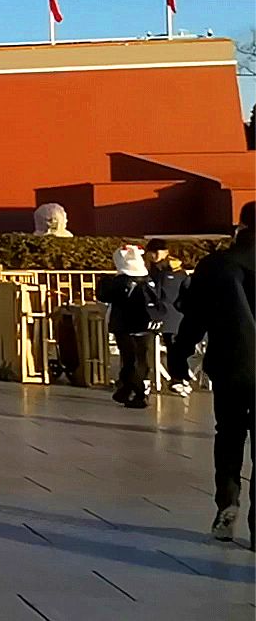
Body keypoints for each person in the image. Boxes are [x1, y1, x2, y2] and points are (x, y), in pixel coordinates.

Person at [170, 202, 254, 546]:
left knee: (229, 434)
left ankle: (227, 501)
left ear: (241, 226)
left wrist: (180, 356)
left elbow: (194, 318)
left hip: (230, 364)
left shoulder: (215, 265)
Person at [95, 245, 163, 410]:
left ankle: (137, 393)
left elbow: (104, 296)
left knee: (130, 359)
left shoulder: (120, 281)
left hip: (125, 325)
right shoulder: (149, 280)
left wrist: (103, 282)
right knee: (142, 359)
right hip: (147, 324)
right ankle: (130, 389)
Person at [145, 239, 191, 395]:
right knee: (174, 346)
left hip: (168, 315)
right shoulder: (172, 271)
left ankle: (178, 378)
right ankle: (180, 377)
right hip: (170, 315)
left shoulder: (166, 272)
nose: (152, 256)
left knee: (173, 345)